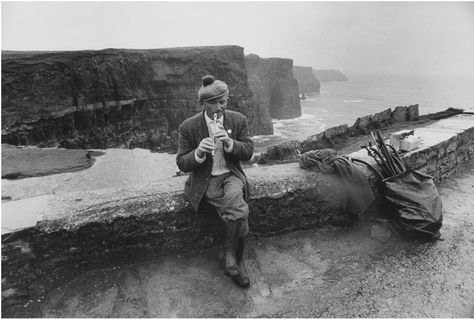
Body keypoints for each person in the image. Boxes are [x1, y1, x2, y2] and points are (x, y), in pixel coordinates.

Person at [176, 75, 254, 288]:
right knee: (238, 212)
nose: (219, 107)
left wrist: (230, 142)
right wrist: (199, 152)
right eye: (213, 102)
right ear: (203, 103)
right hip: (207, 180)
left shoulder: (238, 120)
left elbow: (248, 152)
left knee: (235, 199)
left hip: (231, 175)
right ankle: (237, 258)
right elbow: (182, 163)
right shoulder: (188, 127)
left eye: (223, 101)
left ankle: (231, 256)